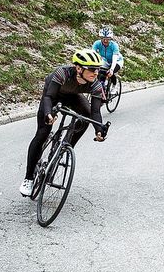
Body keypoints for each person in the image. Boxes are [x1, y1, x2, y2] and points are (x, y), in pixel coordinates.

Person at [20, 49, 108, 196]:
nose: (95, 72)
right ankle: (28, 178)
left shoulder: (96, 85)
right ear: (79, 68)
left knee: (85, 115)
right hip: (52, 95)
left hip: (73, 96)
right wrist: (49, 113)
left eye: (98, 69)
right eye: (92, 69)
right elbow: (48, 97)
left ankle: (66, 146)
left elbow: (95, 112)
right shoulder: (62, 73)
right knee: (42, 133)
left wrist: (98, 129)